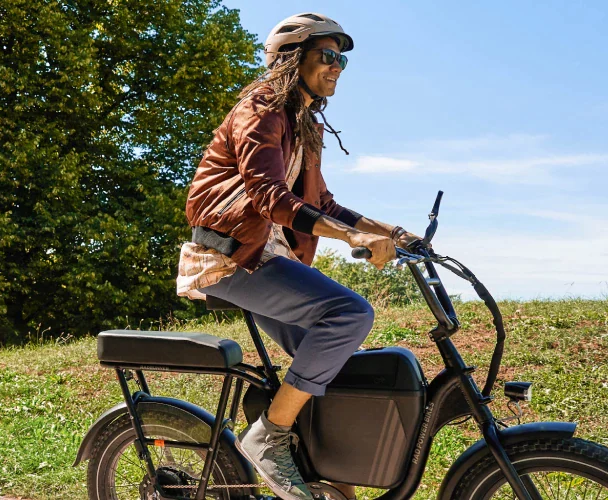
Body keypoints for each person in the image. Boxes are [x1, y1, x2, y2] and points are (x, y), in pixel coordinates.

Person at [178, 13, 424, 500]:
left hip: (266, 256)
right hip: (230, 256)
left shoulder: (304, 124)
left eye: (342, 60)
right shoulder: (261, 109)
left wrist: (393, 232)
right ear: (292, 58)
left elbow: (323, 204)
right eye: (327, 56)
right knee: (349, 313)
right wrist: (350, 238)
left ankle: (333, 481)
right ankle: (268, 436)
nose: (337, 67)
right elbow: (269, 196)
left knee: (334, 363)